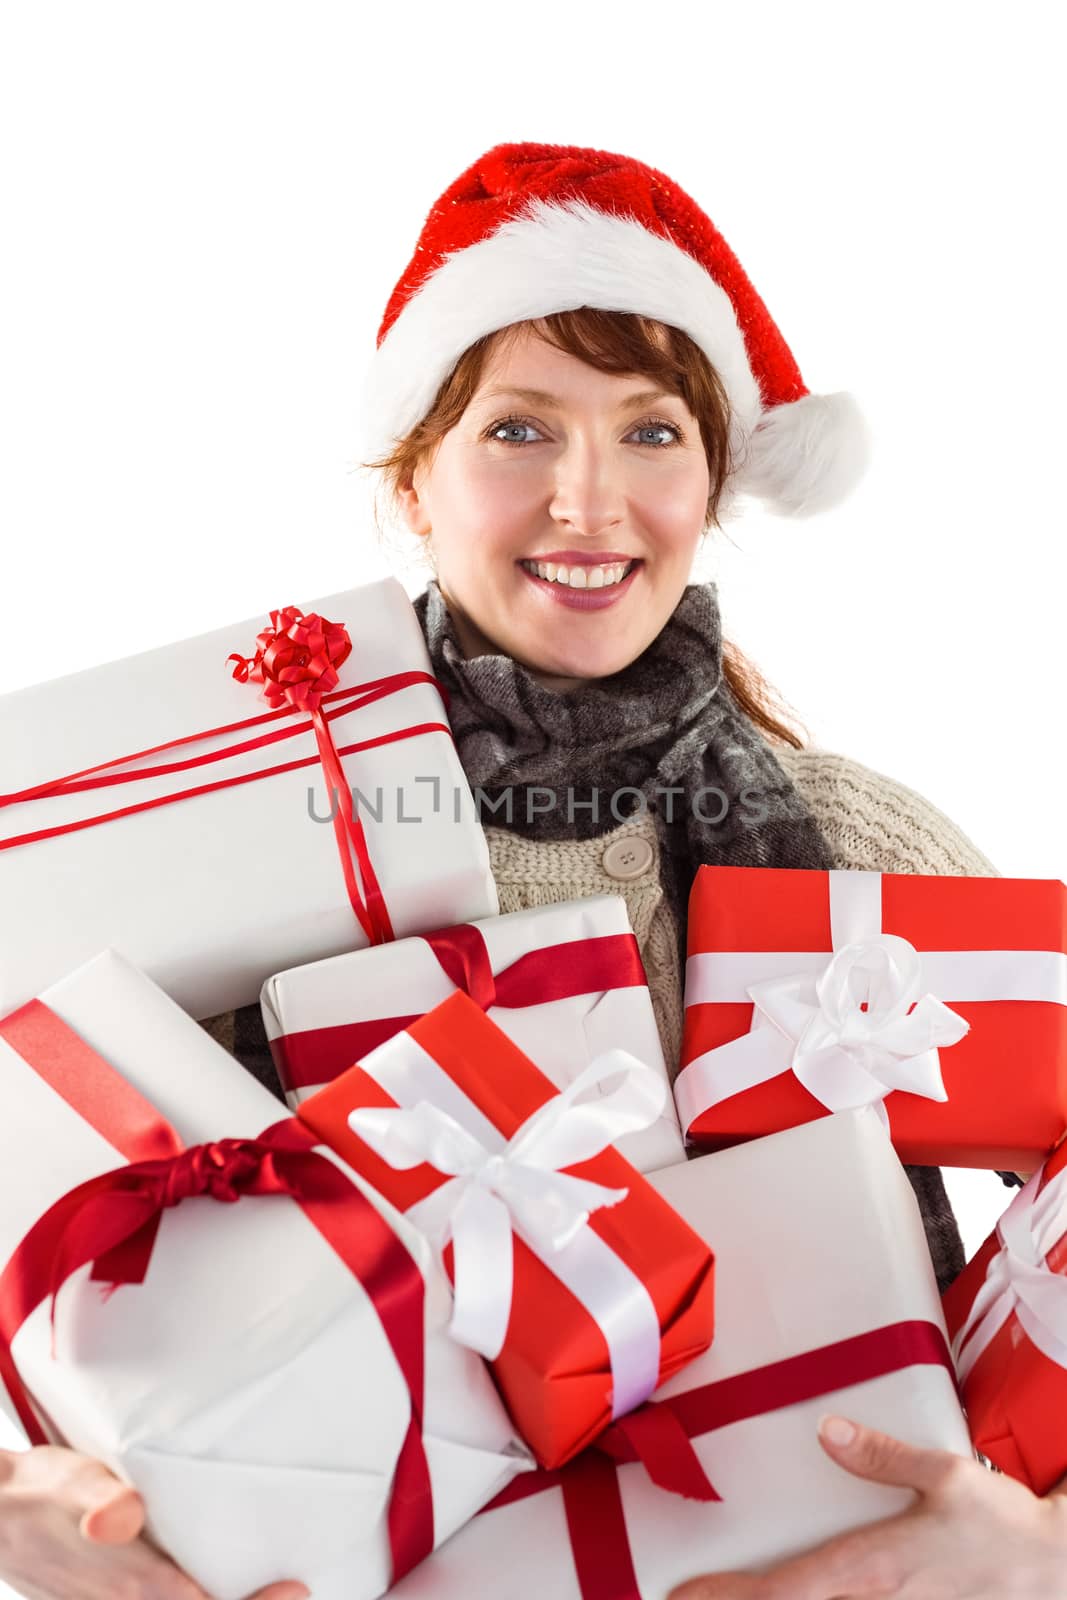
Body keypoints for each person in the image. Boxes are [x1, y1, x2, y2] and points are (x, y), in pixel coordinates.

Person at [2, 141, 1063, 1599]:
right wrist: (34, 1512)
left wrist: (1044, 1549)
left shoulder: (860, 842)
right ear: (412, 485)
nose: (588, 501)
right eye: (518, 431)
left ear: (715, 478)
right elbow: (67, 1256)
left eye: (650, 432)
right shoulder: (264, 843)